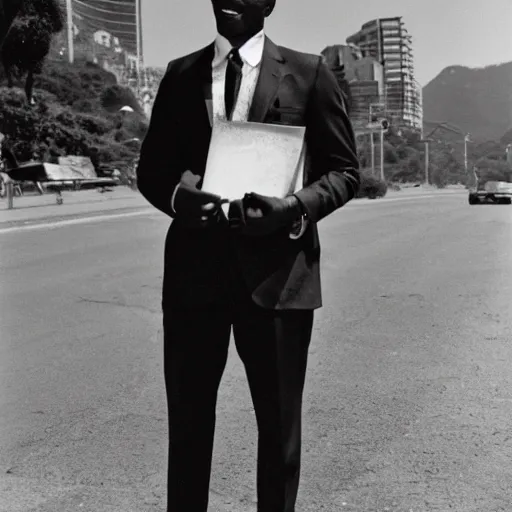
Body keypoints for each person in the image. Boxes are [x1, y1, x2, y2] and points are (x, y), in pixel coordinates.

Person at [136, 1, 360, 510]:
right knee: (188, 431)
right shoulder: (180, 74)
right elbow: (151, 170)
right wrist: (177, 199)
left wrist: (293, 208)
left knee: (279, 432)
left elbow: (345, 171)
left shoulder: (309, 73)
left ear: (269, 3)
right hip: (195, 278)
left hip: (279, 279)